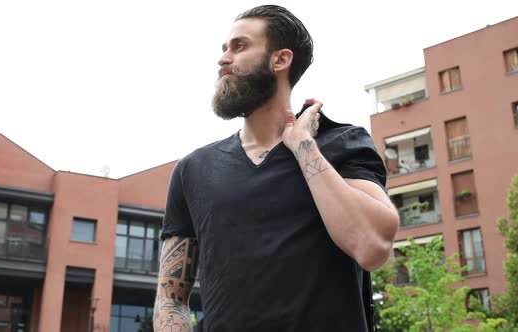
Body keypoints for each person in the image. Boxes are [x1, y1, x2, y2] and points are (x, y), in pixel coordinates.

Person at [153, 5, 399, 332]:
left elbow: (372, 246)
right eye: (224, 49)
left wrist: (302, 145)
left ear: (280, 60)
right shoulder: (193, 170)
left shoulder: (341, 144)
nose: (223, 59)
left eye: (239, 47)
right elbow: (171, 298)